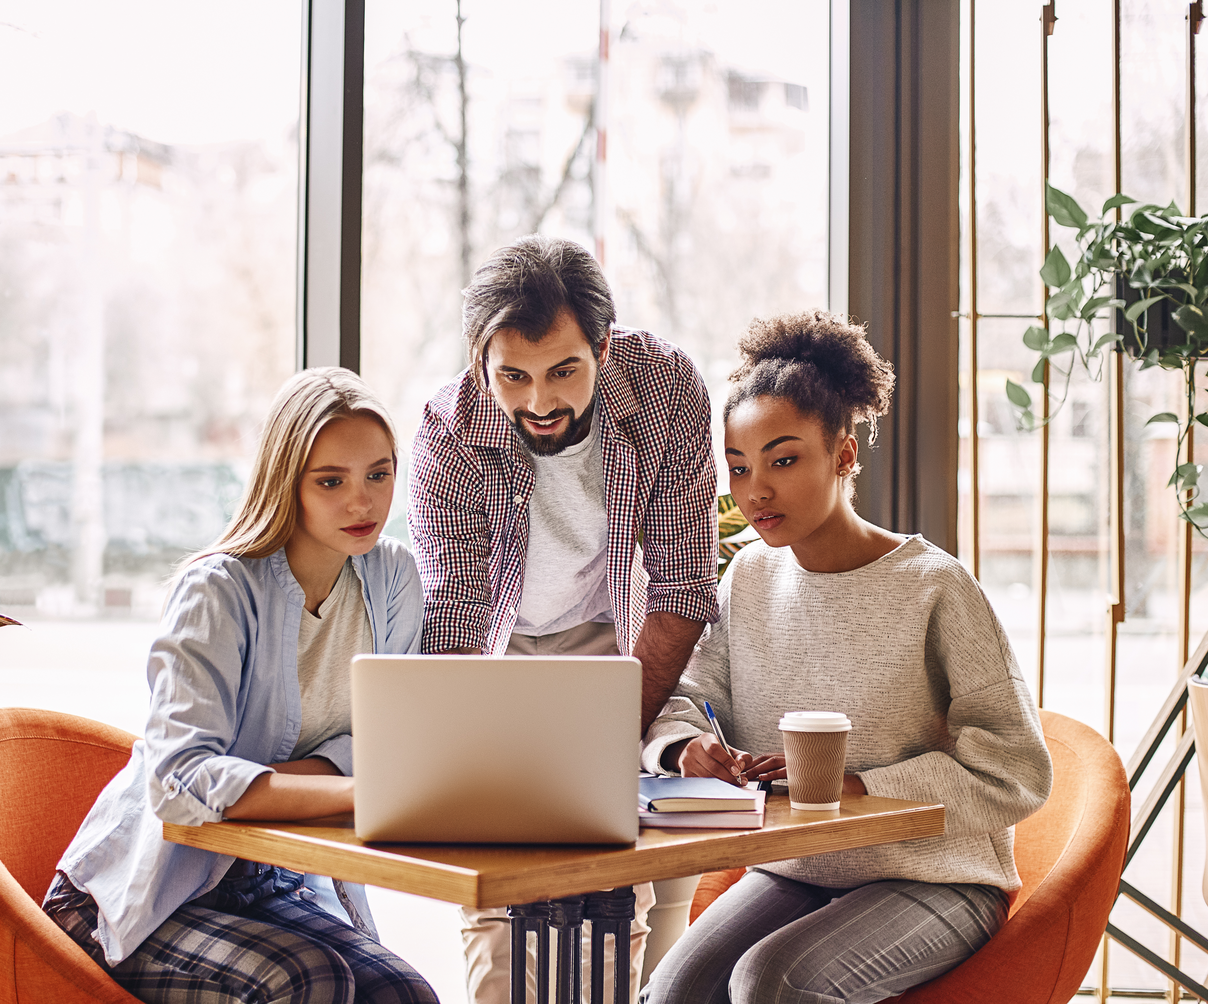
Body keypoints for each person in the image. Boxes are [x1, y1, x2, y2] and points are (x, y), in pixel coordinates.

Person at [640, 311, 1054, 1004]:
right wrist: (685, 750)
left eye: (783, 459)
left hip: (937, 879)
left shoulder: (935, 586)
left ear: (843, 454)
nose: (756, 491)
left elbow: (1015, 768)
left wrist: (858, 787)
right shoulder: (748, 579)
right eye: (739, 468)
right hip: (800, 869)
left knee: (772, 982)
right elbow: (683, 695)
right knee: (675, 989)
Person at [42, 368, 439, 1004]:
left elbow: (389, 740)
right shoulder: (219, 590)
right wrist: (352, 789)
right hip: (135, 901)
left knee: (403, 993)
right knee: (311, 981)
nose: (362, 503)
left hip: (268, 884)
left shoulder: (391, 576)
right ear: (288, 481)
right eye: (330, 481)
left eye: (379, 474)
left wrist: (281, 783)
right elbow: (179, 780)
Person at [408, 235, 720, 1004]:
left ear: (604, 349)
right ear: (481, 361)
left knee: (624, 884)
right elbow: (453, 620)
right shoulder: (447, 435)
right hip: (499, 648)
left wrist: (607, 741)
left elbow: (681, 587)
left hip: (621, 635)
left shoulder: (667, 387)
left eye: (563, 372)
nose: (539, 402)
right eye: (512, 376)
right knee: (503, 885)